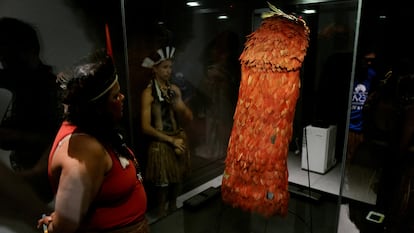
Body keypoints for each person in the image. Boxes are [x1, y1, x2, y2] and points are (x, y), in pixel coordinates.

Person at [37, 50, 149, 233]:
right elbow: (65, 226)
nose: (122, 98)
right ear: (97, 109)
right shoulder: (84, 155)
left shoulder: (95, 131)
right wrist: (54, 224)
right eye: (115, 96)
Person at [0, 17, 62, 202]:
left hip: (46, 184)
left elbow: (59, 141)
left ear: (26, 51)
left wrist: (15, 136)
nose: (3, 64)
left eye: (7, 57)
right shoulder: (23, 81)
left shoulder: (48, 90)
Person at [141, 45, 193, 218]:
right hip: (162, 144)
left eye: (170, 67)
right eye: (164, 67)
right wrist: (171, 141)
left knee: (176, 184)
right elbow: (145, 127)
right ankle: (164, 219)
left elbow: (188, 118)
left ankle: (174, 217)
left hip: (178, 139)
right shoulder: (148, 93)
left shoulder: (175, 90)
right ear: (154, 69)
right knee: (163, 189)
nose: (168, 71)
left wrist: (178, 102)